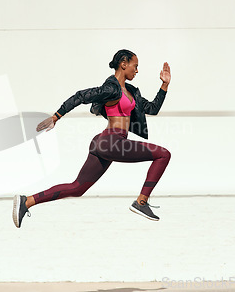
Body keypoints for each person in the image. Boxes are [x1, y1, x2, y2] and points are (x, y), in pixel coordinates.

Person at [12, 49, 171, 228]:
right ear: (123, 64)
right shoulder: (111, 88)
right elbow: (81, 96)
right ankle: (141, 202)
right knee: (163, 155)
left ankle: (26, 201)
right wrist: (56, 116)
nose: (137, 70)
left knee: (78, 188)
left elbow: (152, 109)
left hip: (104, 143)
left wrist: (164, 85)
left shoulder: (131, 92)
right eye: (135, 66)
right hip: (112, 142)